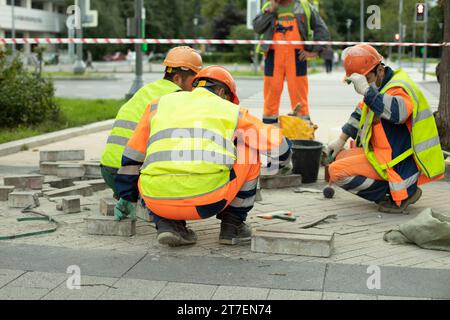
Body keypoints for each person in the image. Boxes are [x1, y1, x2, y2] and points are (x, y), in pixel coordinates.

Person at [114, 66, 292, 247]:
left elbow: (132, 156)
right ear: (222, 92)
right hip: (208, 201)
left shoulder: (159, 104)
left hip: (155, 201)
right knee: (249, 148)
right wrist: (284, 160)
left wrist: (126, 195)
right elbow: (279, 146)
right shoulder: (230, 111)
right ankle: (232, 226)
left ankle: (168, 224)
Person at [327, 44, 445, 213]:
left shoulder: (398, 88)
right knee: (341, 157)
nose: (362, 86)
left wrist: (368, 91)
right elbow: (361, 112)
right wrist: (341, 139)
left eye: (366, 79)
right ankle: (395, 190)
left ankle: (398, 194)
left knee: (336, 171)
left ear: (380, 71)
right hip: (385, 157)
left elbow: (398, 113)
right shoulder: (381, 86)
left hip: (400, 165)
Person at [100, 46, 203, 197]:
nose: (195, 88)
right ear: (177, 79)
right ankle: (146, 197)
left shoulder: (147, 89)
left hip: (109, 172)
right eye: (194, 82)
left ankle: (128, 195)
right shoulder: (177, 98)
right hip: (131, 177)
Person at [253, 0, 329, 123]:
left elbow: (321, 29)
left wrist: (314, 52)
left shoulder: (304, 6)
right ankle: (269, 129)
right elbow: (257, 27)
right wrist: (270, 11)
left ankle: (303, 129)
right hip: (273, 56)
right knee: (271, 95)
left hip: (297, 57)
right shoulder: (268, 7)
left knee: (299, 95)